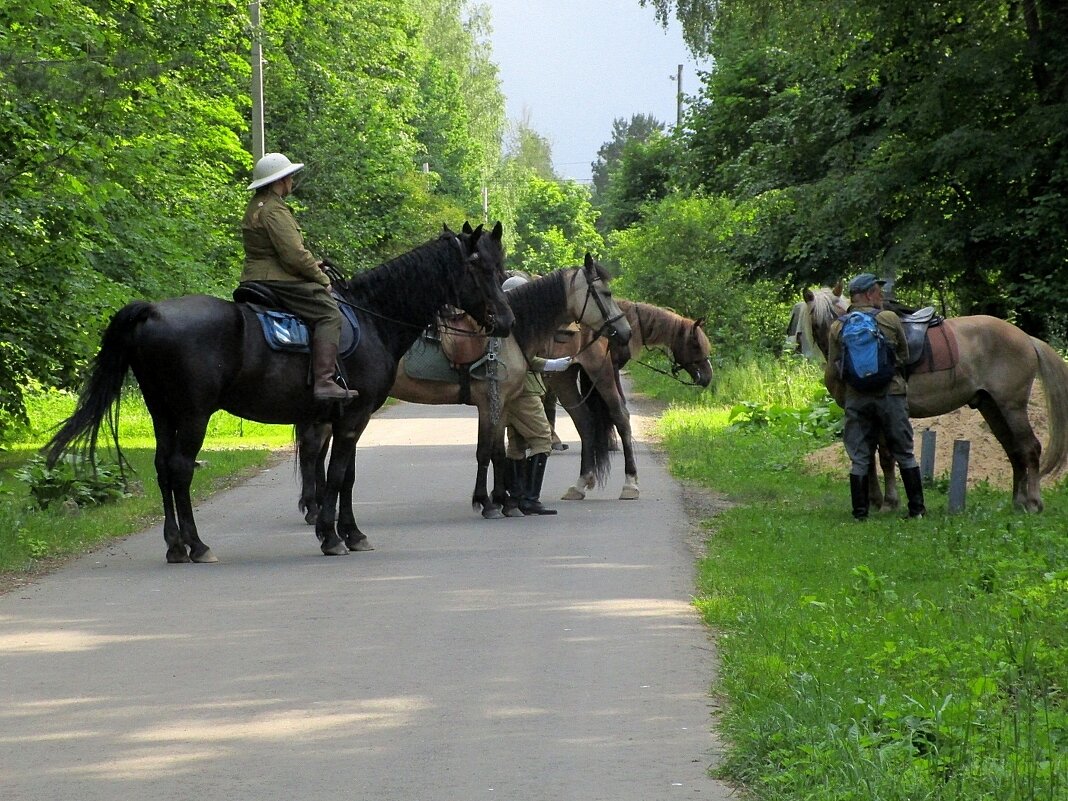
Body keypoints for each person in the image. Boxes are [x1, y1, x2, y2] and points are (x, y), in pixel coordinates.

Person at [240, 152, 357, 402]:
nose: (291, 180)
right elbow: (294, 256)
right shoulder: (274, 210)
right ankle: (324, 381)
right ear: (279, 180)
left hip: (256, 275)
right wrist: (321, 278)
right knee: (329, 313)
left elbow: (272, 251)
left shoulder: (257, 205)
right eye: (289, 176)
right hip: (277, 279)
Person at [826, 272, 926, 520]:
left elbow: (833, 367)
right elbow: (904, 355)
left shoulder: (838, 326)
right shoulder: (889, 319)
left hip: (856, 398)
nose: (881, 296)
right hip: (890, 394)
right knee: (904, 452)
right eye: (879, 292)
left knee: (859, 456)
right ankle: (917, 510)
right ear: (869, 294)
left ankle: (860, 513)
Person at [500, 275, 572, 516]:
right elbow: (524, 359)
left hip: (511, 390)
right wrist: (552, 364)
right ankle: (530, 498)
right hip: (524, 390)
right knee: (542, 438)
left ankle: (516, 497)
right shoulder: (517, 326)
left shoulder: (504, 322)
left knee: (517, 444)